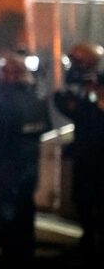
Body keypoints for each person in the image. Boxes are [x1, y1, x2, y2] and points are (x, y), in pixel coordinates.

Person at [0, 55, 50, 264]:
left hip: (5, 162)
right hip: (29, 163)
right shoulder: (35, 98)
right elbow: (45, 126)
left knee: (6, 210)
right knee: (25, 208)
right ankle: (26, 251)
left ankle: (11, 253)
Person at [54, 42, 104, 263]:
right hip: (84, 151)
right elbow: (70, 108)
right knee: (82, 198)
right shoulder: (76, 83)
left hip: (99, 153)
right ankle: (88, 239)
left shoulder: (99, 81)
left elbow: (92, 113)